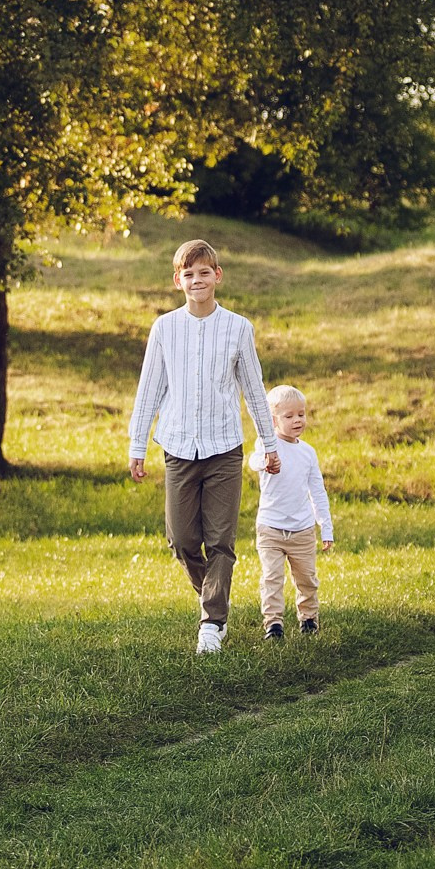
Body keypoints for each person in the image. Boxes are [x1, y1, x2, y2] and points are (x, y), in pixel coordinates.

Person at [127, 239, 279, 653]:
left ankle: (212, 622)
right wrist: (136, 445)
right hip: (177, 447)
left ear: (217, 276)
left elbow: (253, 390)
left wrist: (270, 444)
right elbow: (149, 390)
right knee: (180, 539)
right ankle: (215, 597)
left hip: (225, 448)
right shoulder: (164, 328)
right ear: (178, 280)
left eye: (204, 272)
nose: (197, 280)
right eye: (189, 274)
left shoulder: (238, 328)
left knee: (221, 540)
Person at [249, 384, 334, 639]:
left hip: (302, 530)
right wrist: (265, 461)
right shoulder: (268, 445)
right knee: (271, 579)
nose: (297, 420)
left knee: (307, 579)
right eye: (289, 416)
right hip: (270, 528)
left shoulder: (308, 453)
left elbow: (317, 491)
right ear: (274, 420)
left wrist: (325, 526)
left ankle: (309, 619)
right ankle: (273, 624)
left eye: (301, 414)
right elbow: (253, 460)